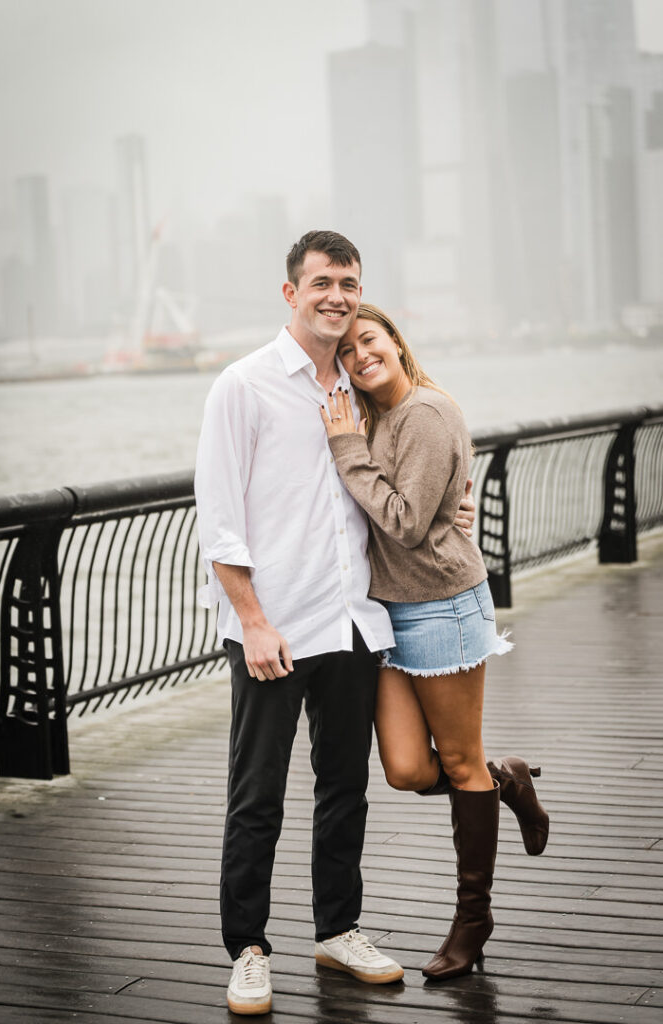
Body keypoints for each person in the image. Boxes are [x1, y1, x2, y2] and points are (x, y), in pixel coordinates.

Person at [194, 231, 476, 1014]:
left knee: (344, 788)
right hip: (273, 629)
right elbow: (218, 522)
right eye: (321, 282)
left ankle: (337, 928)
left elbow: (419, 470)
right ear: (291, 293)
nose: (336, 296)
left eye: (348, 283)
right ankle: (247, 948)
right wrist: (250, 620)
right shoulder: (242, 387)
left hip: (355, 624)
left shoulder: (359, 388)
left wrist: (458, 505)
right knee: (257, 795)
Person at [320, 303, 550, 982]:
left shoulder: (421, 411)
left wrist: (344, 451)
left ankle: (471, 919)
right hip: (389, 612)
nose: (361, 356)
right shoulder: (377, 418)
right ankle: (499, 778)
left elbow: (406, 524)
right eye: (349, 353)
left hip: (441, 609)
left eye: (370, 341)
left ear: (394, 340)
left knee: (452, 761)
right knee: (406, 769)